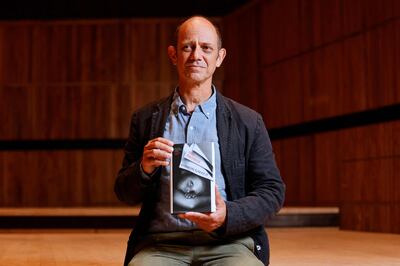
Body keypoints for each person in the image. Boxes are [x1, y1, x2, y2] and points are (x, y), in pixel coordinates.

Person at [114, 15, 285, 266]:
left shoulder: (248, 121)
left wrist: (228, 215)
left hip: (229, 242)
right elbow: (123, 192)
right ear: (173, 55)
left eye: (206, 48)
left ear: (220, 57)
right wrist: (143, 168)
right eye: (187, 47)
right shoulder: (145, 119)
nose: (196, 55)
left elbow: (272, 191)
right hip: (162, 244)